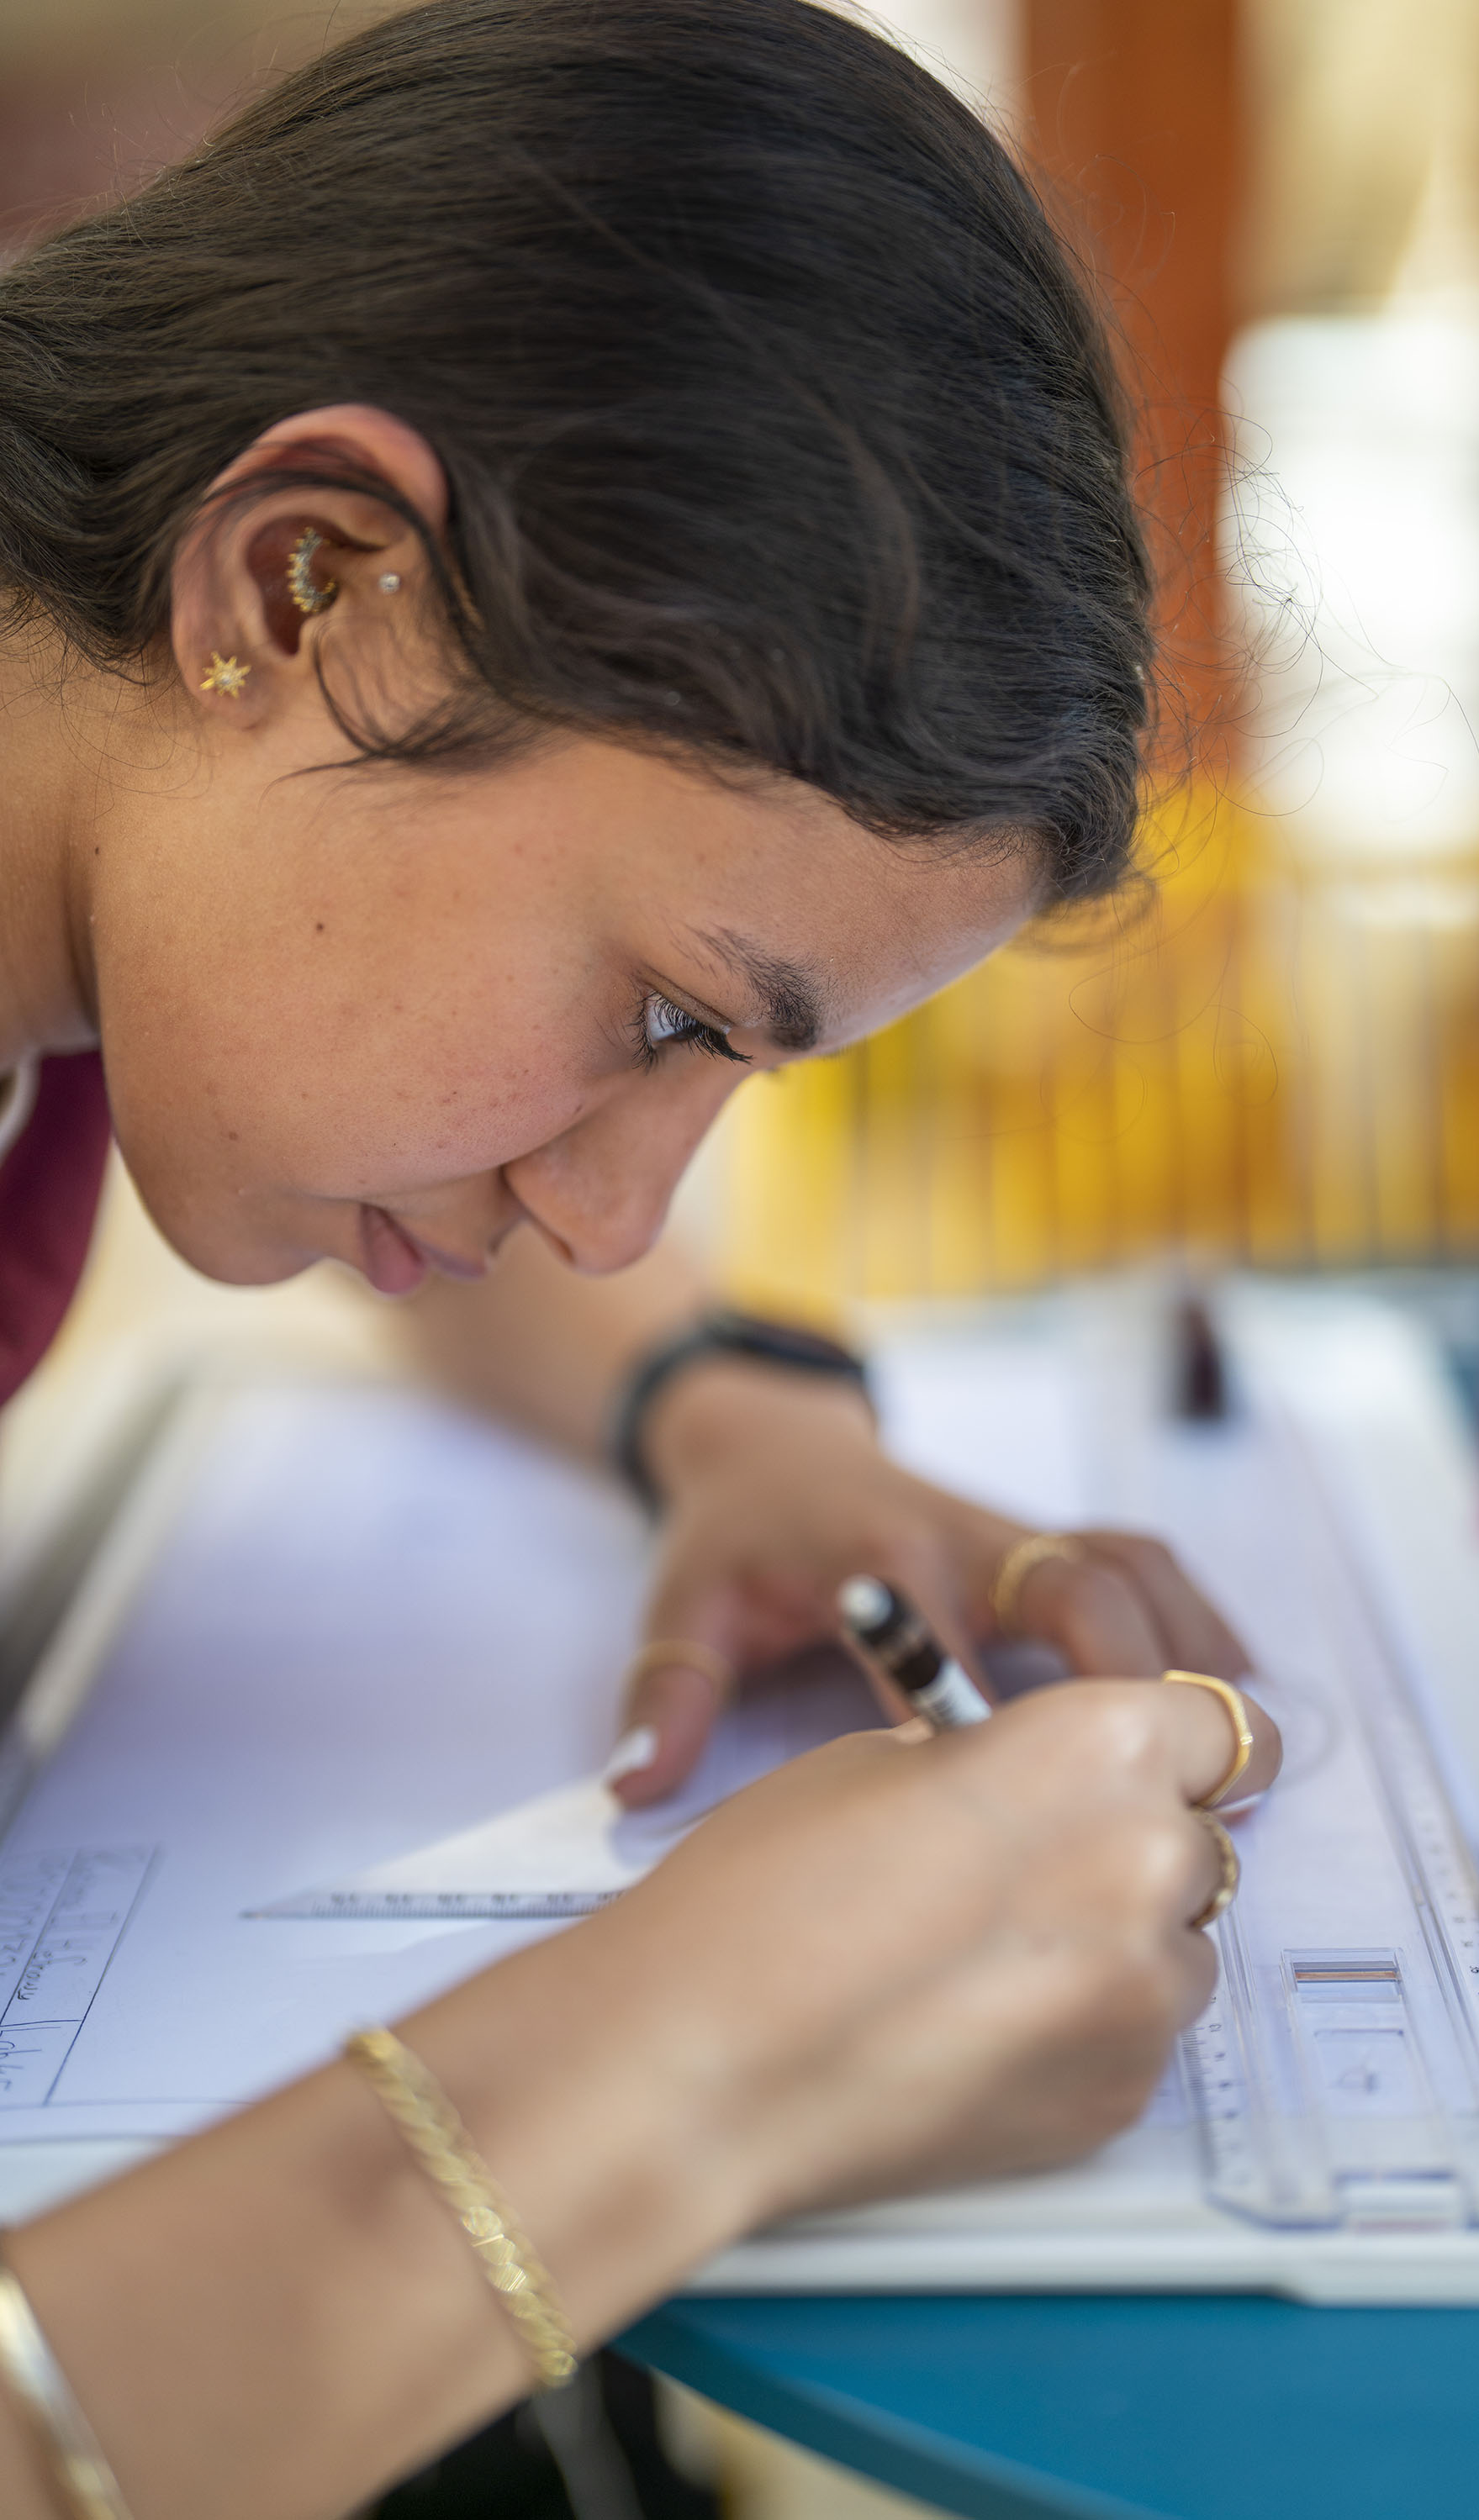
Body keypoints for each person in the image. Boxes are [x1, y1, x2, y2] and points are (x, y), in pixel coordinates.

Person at [0, 3, 1281, 2512]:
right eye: (662, 1017)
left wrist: (743, 1410)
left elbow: (400, 1049)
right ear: (315, 586)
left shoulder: (124, 878)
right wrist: (689, 2065)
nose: (608, 1204)